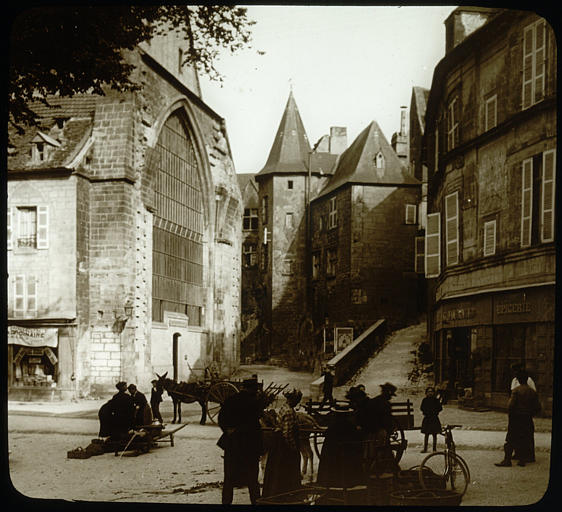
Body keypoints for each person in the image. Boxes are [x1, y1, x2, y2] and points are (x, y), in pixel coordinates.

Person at [217, 378, 263, 505]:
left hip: (232, 445)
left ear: (243, 387)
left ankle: (226, 503)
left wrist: (227, 430)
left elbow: (221, 419)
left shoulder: (230, 400)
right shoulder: (254, 403)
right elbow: (255, 427)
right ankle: (256, 503)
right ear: (253, 389)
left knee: (229, 480)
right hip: (249, 447)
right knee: (253, 480)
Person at [495, 372, 541, 467]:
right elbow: (538, 407)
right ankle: (522, 460)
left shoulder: (516, 391)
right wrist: (530, 414)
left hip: (516, 418)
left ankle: (507, 460)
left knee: (510, 439)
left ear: (519, 381)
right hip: (527, 418)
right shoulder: (532, 392)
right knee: (524, 438)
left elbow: (510, 405)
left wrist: (511, 415)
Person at [262, 389, 303, 498]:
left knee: (276, 471)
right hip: (285, 447)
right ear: (293, 399)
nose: (297, 402)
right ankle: (286, 494)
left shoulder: (284, 407)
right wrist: (294, 449)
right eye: (297, 400)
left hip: (278, 445)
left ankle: (276, 492)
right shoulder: (289, 411)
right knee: (287, 470)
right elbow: (287, 433)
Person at [420, 386, 442, 453]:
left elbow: (440, 408)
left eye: (431, 392)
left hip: (434, 419)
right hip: (427, 419)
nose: (430, 393)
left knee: (434, 434)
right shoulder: (425, 400)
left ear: (433, 393)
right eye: (428, 392)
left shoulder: (436, 400)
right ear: (426, 393)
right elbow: (422, 408)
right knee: (426, 434)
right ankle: (425, 448)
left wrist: (435, 412)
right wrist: (426, 412)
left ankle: (434, 449)